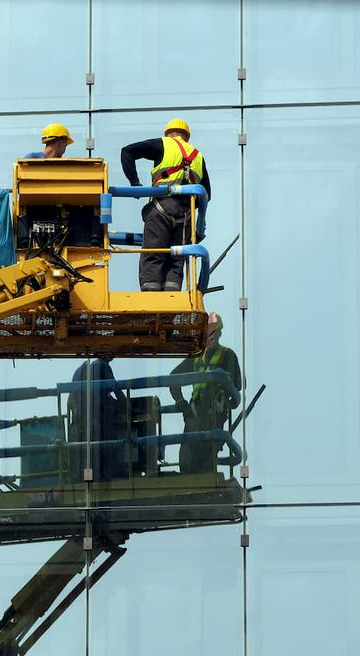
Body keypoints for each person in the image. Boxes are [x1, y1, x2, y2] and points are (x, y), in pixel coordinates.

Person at [120, 119, 212, 291]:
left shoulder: (163, 144)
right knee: (177, 258)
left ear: (168, 133)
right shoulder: (198, 156)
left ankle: (151, 295)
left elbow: (127, 152)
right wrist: (197, 220)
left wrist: (135, 183)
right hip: (186, 212)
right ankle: (172, 296)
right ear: (186, 137)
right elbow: (207, 194)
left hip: (162, 207)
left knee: (153, 253)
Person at [169, 312, 241, 474]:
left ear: (220, 333)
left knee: (206, 453)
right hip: (194, 411)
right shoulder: (196, 356)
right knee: (187, 455)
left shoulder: (227, 355)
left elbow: (236, 388)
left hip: (213, 412)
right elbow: (173, 378)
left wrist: (226, 405)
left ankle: (203, 473)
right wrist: (181, 401)